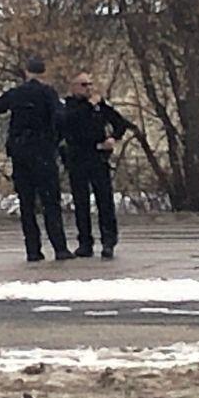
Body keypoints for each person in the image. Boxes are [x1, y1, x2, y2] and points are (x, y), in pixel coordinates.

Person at [0, 56, 72, 263]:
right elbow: (61, 116)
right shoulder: (48, 93)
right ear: (44, 73)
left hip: (20, 154)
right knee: (50, 202)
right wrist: (56, 137)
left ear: (26, 72)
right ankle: (60, 247)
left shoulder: (17, 93)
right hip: (43, 152)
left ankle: (33, 250)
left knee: (26, 204)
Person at [60, 73, 139, 260]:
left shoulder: (99, 106)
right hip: (77, 157)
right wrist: (89, 105)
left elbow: (120, 123)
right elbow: (69, 122)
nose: (88, 88)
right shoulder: (68, 106)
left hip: (98, 157)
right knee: (81, 202)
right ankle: (85, 243)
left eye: (90, 84)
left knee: (105, 200)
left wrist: (113, 138)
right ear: (74, 87)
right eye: (84, 85)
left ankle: (108, 241)